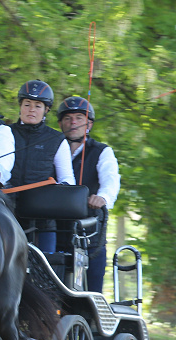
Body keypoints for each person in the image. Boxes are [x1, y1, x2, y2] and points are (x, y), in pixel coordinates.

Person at [58, 96, 121, 293]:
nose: (73, 122)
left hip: (89, 231)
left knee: (92, 287)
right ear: (60, 123)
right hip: (55, 228)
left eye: (79, 117)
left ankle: (93, 320)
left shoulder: (102, 151)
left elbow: (111, 180)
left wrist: (102, 197)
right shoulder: (52, 148)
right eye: (68, 118)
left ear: (89, 124)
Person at [9, 80, 76, 253]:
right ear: (20, 106)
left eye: (38, 106)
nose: (32, 109)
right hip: (6, 214)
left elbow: (67, 179)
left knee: (46, 270)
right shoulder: (4, 132)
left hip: (43, 222)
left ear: (46, 110)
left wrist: (61, 190)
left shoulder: (57, 140)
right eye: (27, 104)